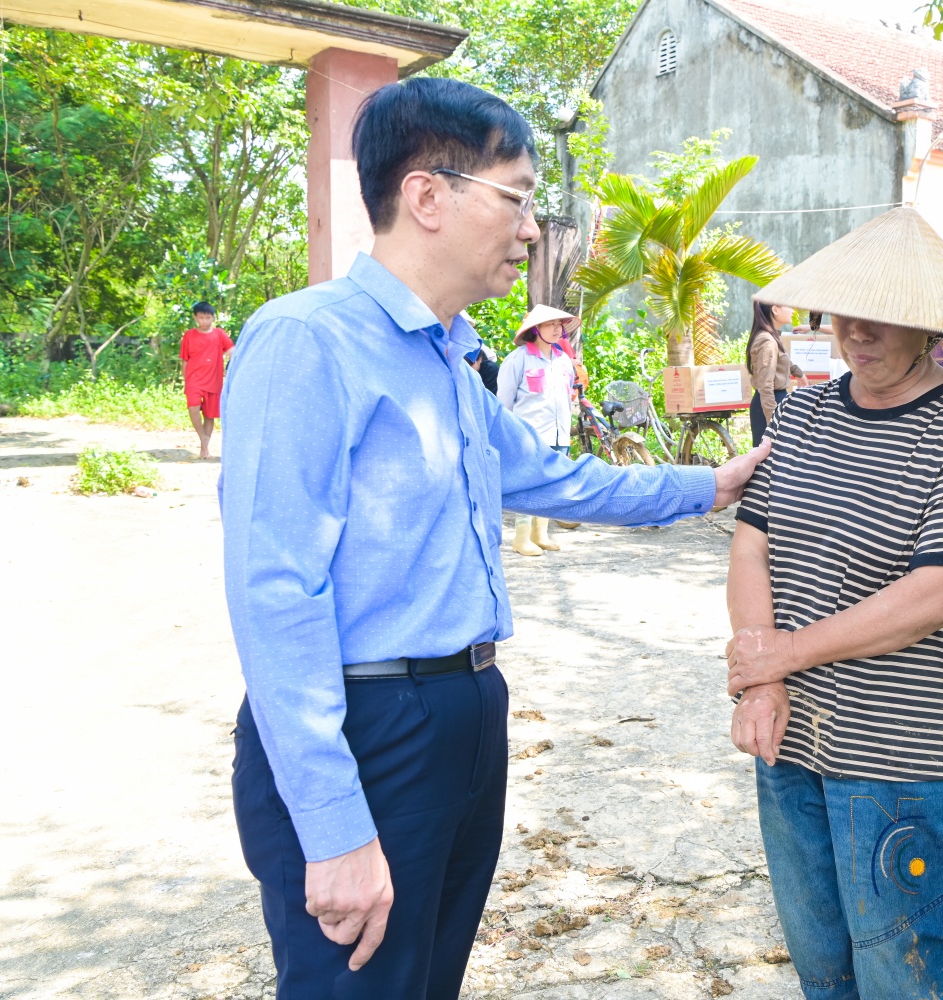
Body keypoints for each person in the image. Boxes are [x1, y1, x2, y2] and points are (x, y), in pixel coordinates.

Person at [218, 77, 768, 1000]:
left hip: (465, 709)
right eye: (516, 199)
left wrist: (712, 484)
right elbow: (275, 590)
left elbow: (553, 477)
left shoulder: (446, 354)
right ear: (427, 196)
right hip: (367, 724)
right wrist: (336, 827)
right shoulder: (308, 343)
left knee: (425, 979)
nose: (530, 231)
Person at [724, 206, 943, 999]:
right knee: (825, 970)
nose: (857, 332)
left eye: (883, 316)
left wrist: (783, 654)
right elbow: (752, 542)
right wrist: (764, 681)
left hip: (903, 762)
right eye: (844, 312)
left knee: (915, 976)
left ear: (928, 326)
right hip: (793, 749)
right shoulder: (809, 414)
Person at [497, 305, 579, 556]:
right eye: (550, 324)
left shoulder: (564, 360)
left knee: (550, 483)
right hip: (528, 435)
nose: (557, 329)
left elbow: (568, 397)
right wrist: (507, 434)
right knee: (527, 485)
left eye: (559, 324)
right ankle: (521, 539)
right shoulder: (518, 358)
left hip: (559, 433)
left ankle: (540, 535)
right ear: (536, 329)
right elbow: (504, 401)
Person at [179, 300, 233, 459]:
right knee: (193, 407)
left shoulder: (219, 334)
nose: (204, 321)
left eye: (208, 318)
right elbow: (184, 359)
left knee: (210, 415)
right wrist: (186, 380)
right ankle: (202, 436)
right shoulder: (189, 335)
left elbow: (232, 351)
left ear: (213, 318)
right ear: (196, 318)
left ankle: (204, 448)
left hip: (214, 379)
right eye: (201, 318)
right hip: (194, 378)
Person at [746, 301, 803, 446]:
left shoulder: (772, 337)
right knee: (768, 460)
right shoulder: (767, 341)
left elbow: (781, 360)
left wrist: (799, 373)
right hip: (769, 403)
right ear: (775, 310)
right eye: (788, 305)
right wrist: (773, 422)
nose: (792, 309)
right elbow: (766, 385)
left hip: (775, 401)